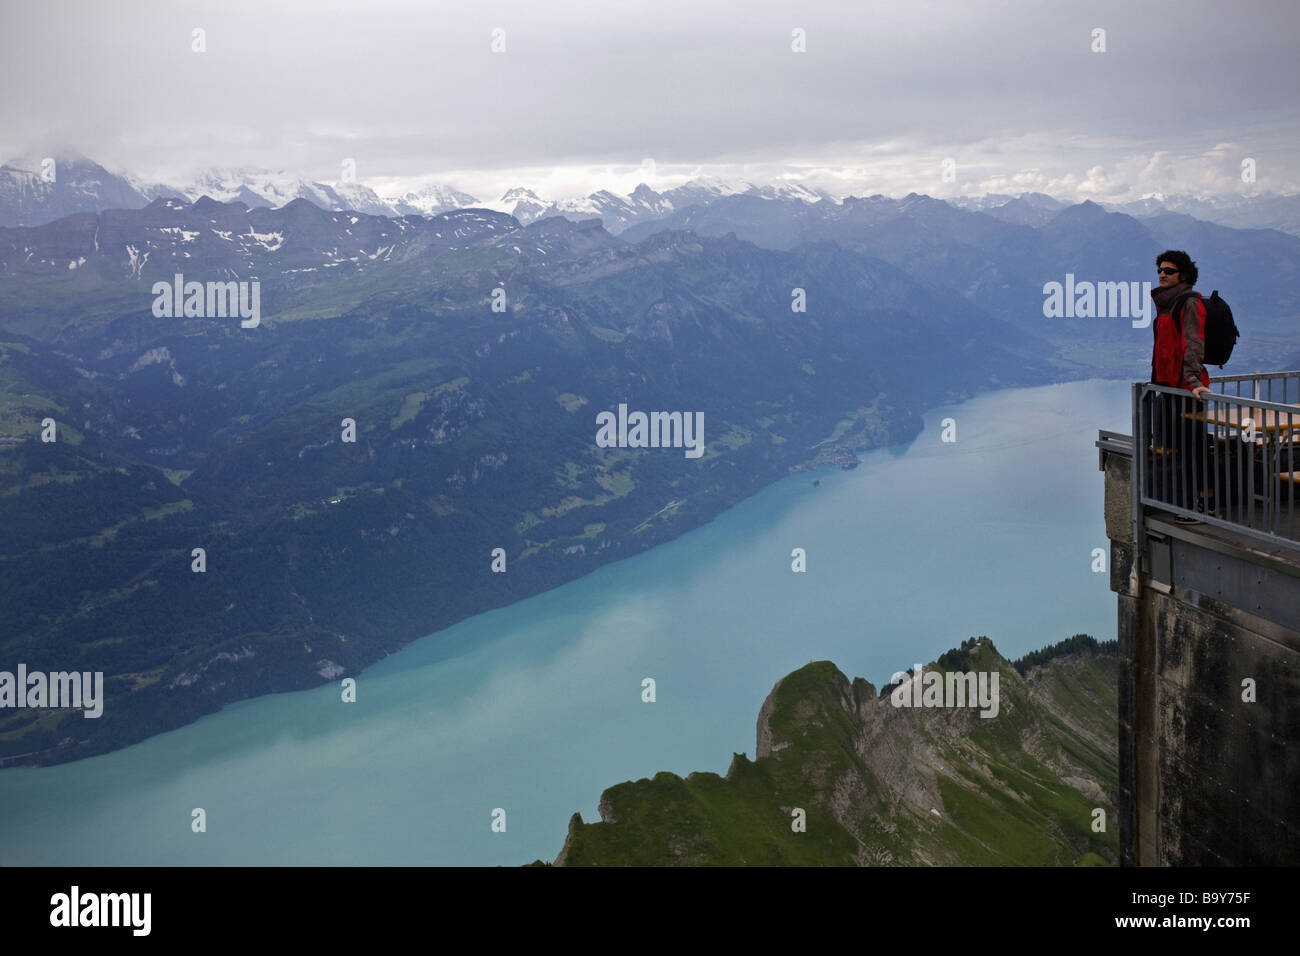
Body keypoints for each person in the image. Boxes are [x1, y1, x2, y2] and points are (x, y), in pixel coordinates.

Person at [1147, 250, 1215, 522]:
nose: (1162, 274)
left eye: (1169, 270)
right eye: (1160, 270)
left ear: (1183, 275)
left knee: (1195, 449)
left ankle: (1206, 507)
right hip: (1169, 387)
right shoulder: (1166, 304)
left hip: (1187, 390)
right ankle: (1190, 503)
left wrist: (1194, 381)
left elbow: (1193, 342)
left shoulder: (1188, 303)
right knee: (1180, 448)